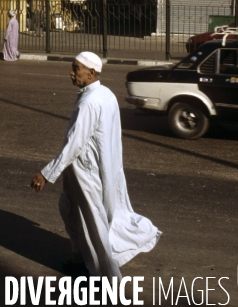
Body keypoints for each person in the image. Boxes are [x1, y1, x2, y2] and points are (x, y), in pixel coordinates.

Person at [31, 51, 161, 280]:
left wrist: (46, 173)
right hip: (81, 169)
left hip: (86, 171)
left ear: (91, 73)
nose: (71, 73)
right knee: (69, 209)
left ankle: (106, 276)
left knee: (94, 225)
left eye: (76, 69)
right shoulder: (104, 94)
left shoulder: (90, 102)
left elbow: (75, 144)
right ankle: (77, 259)